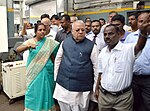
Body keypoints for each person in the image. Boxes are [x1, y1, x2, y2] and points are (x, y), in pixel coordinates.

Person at [95, 13, 149, 111]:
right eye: (105, 34)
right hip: (104, 97)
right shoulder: (103, 52)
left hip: (123, 99)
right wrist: (97, 88)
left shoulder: (128, 49)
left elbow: (139, 46)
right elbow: (100, 72)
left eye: (111, 34)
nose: (107, 36)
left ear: (119, 35)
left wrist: (143, 32)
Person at [53, 20, 98, 111]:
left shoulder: (92, 46)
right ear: (72, 31)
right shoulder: (65, 42)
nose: (81, 32)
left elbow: (96, 67)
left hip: (82, 87)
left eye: (83, 30)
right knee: (64, 106)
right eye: (78, 30)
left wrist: (95, 86)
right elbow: (58, 59)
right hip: (63, 85)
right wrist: (56, 77)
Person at [16, 23, 59, 111]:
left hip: (47, 72)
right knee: (32, 92)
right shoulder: (31, 41)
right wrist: (28, 46)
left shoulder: (50, 42)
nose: (42, 32)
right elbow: (18, 50)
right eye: (40, 30)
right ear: (35, 31)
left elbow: (55, 55)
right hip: (34, 73)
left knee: (46, 92)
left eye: (44, 30)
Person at [125, 12, 150, 111]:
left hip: (148, 79)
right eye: (140, 21)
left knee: (147, 105)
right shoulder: (130, 37)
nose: (144, 24)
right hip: (133, 78)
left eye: (147, 21)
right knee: (133, 104)